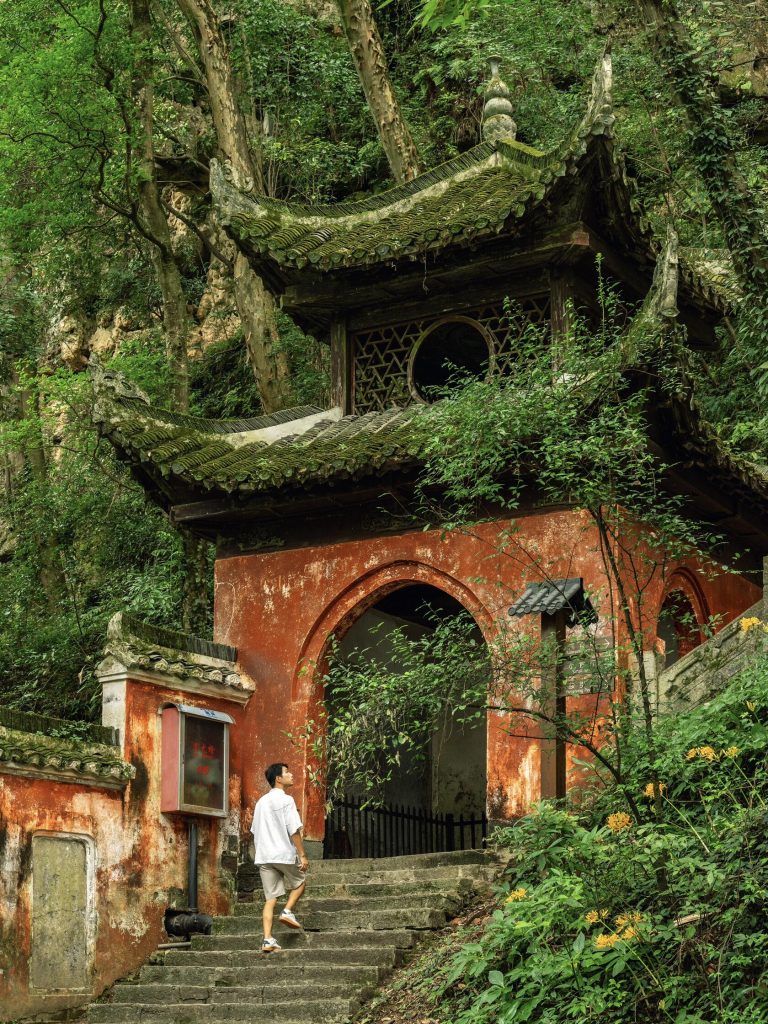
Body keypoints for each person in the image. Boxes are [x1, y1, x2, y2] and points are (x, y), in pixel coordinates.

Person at [250, 762, 309, 953]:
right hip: (282, 853)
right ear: (278, 779)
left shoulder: (260, 803)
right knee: (300, 882)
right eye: (287, 772)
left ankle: (267, 939)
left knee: (270, 898)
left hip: (264, 855)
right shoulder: (286, 800)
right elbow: (294, 829)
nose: (291, 775)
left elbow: (254, 830)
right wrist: (302, 855)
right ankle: (288, 911)